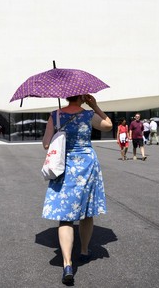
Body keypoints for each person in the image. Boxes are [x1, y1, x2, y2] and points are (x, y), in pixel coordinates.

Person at [41, 94, 112, 285]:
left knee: (65, 216)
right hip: (87, 164)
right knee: (87, 212)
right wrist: (95, 106)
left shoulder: (55, 115)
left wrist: (59, 133)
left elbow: (46, 144)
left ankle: (67, 263)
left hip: (64, 166)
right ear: (81, 96)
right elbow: (108, 125)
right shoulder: (88, 115)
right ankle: (84, 250)